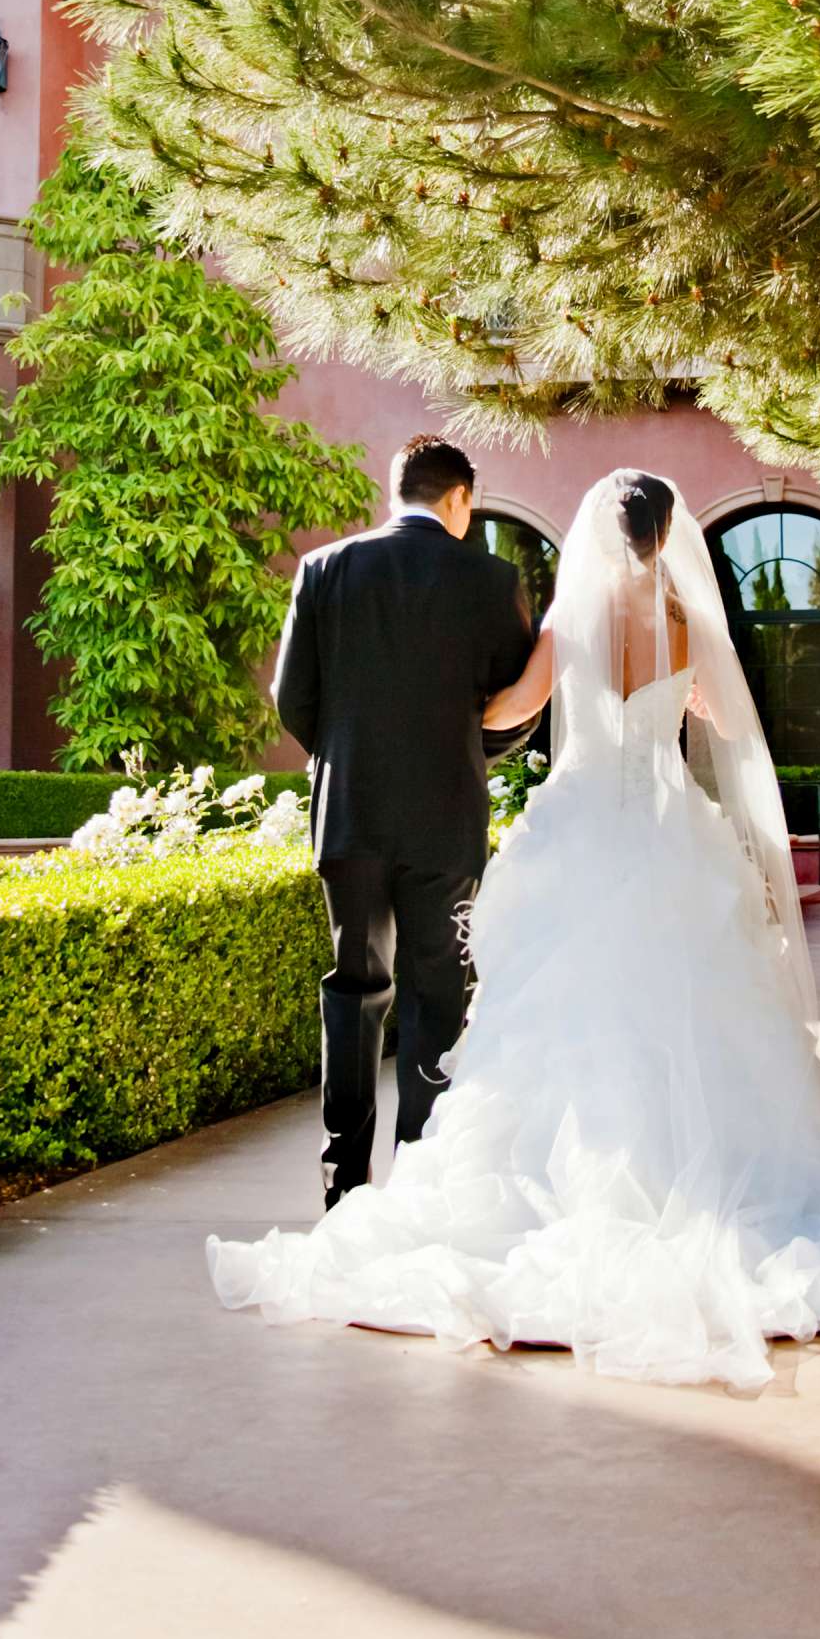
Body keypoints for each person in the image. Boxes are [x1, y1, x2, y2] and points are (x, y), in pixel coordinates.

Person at [209, 469, 820, 1392]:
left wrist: (426, 720)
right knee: (692, 1017)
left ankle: (510, 1183)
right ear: (667, 538)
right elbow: (719, 718)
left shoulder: (570, 615)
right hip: (670, 837)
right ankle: (709, 1194)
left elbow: (513, 707)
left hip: (581, 830)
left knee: (541, 1018)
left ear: (600, 533)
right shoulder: (685, 623)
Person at [270, 433, 533, 1208]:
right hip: (446, 819)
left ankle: (343, 1177)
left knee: (355, 987)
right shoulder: (490, 579)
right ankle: (422, 1173)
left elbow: (294, 698)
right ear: (459, 499)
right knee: (435, 990)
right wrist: (464, 752)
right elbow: (516, 701)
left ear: (397, 491)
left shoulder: (325, 569)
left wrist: (349, 757)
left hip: (348, 814)